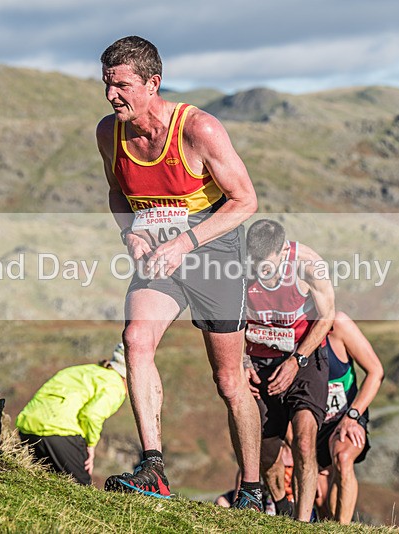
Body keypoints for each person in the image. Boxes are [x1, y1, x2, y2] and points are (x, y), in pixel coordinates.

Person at [96, 36, 262, 509]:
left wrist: (186, 242)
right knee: (135, 341)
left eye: (122, 86)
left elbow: (245, 200)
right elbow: (116, 192)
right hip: (156, 251)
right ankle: (153, 468)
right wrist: (129, 231)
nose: (113, 96)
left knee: (229, 380)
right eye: (107, 85)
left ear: (153, 84)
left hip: (211, 248)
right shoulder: (109, 134)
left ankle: (251, 491)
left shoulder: (199, 130)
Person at [243, 218, 335, 521]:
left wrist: (298, 360)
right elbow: (227, 321)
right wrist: (242, 362)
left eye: (267, 266)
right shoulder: (240, 270)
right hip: (260, 360)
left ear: (283, 251)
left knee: (305, 440)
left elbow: (327, 315)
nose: (262, 272)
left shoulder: (309, 265)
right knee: (266, 453)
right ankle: (282, 505)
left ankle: (303, 521)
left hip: (304, 355)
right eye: (257, 265)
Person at [16, 343, 128, 485]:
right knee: (80, 490)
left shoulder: (86, 370)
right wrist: (91, 446)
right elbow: (91, 415)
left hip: (29, 428)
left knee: (42, 485)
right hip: (60, 433)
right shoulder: (116, 385)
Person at [314, 311, 384, 523]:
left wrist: (352, 415)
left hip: (344, 417)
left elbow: (376, 372)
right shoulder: (291, 328)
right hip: (309, 421)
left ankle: (343, 528)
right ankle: (329, 525)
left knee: (342, 459)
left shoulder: (339, 324)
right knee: (319, 498)